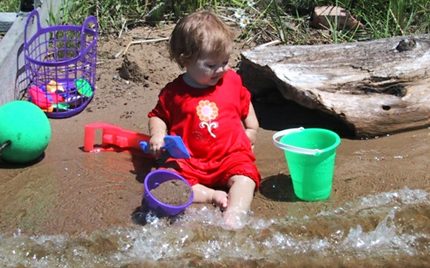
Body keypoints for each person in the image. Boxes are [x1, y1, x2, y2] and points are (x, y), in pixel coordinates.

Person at [147, 10, 261, 229]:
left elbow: (245, 104)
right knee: (167, 181)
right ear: (185, 60)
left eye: (225, 62)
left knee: (246, 178)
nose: (221, 70)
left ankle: (234, 215)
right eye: (211, 65)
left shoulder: (232, 81)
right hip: (189, 159)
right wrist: (158, 134)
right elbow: (158, 116)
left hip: (229, 155)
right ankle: (209, 195)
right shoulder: (174, 93)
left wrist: (252, 130)